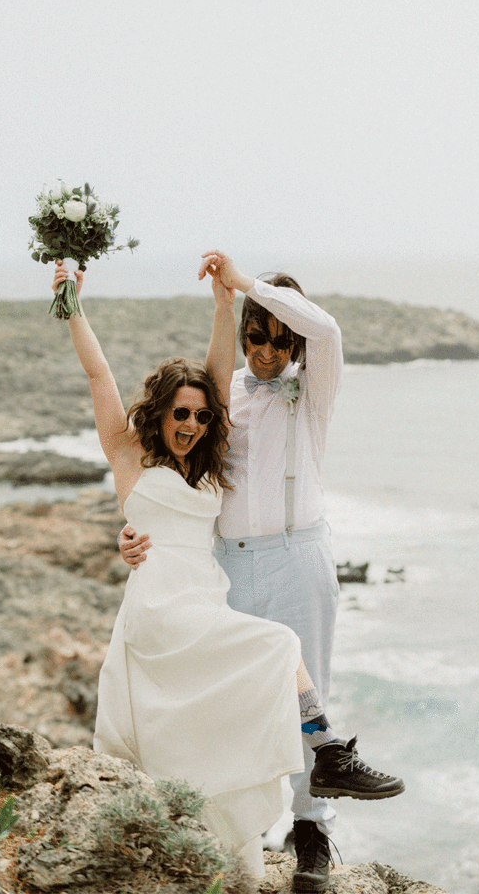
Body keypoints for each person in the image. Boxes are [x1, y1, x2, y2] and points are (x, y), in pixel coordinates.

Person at [50, 258, 365, 881]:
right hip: (177, 599)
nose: (193, 422)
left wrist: (229, 300)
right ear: (161, 412)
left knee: (266, 677)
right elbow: (99, 374)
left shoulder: (226, 443)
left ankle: (304, 822)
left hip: (234, 582)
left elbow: (235, 365)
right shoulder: (134, 449)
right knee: (261, 667)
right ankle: (321, 750)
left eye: (200, 416)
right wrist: (72, 307)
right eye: (182, 414)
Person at [120, 251, 404, 893]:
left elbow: (326, 330)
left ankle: (313, 836)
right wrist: (135, 533)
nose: (267, 353)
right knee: (235, 699)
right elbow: (170, 470)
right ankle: (231, 827)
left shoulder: (315, 384)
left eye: (279, 340)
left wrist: (252, 285)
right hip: (222, 567)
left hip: (297, 557)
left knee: (312, 695)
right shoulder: (222, 395)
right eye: (256, 338)